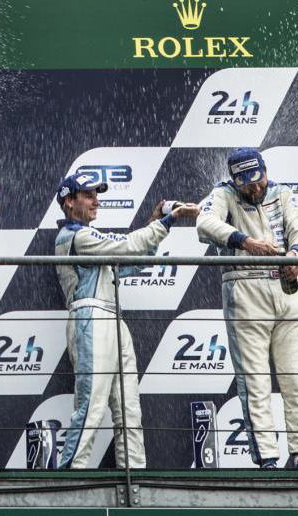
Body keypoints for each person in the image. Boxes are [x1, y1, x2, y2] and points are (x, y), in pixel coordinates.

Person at [51, 173, 196, 468]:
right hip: (90, 318)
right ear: (69, 202)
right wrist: (167, 221)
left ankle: (134, 471)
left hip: (112, 318)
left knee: (129, 406)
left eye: (97, 195)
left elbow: (134, 261)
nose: (96, 201)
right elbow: (127, 246)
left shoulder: (91, 238)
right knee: (91, 405)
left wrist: (156, 223)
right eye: (88, 196)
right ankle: (71, 472)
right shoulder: (76, 236)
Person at [196, 147, 298, 468]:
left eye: (258, 179)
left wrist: (296, 255)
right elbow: (204, 224)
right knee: (255, 381)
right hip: (244, 288)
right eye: (247, 183)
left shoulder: (282, 192)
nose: (255, 188)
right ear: (235, 180)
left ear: (265, 170)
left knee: (296, 377)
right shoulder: (223, 193)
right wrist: (246, 242)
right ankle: (267, 459)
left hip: (285, 287)